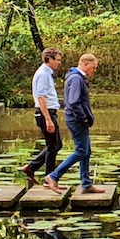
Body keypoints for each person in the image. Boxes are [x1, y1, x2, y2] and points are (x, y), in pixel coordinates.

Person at [46, 53, 104, 192]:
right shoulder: (77, 79)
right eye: (93, 67)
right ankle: (54, 176)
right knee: (81, 151)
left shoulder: (75, 77)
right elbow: (73, 102)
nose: (94, 71)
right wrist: (83, 117)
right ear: (85, 64)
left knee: (86, 151)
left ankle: (86, 183)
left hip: (76, 119)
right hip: (77, 120)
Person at [23, 48, 65, 187]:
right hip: (45, 113)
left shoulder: (47, 73)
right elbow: (40, 97)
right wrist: (48, 119)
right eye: (57, 60)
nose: (59, 63)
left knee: (55, 145)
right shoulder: (43, 74)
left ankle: (32, 167)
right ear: (49, 59)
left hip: (49, 112)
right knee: (54, 146)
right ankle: (49, 179)